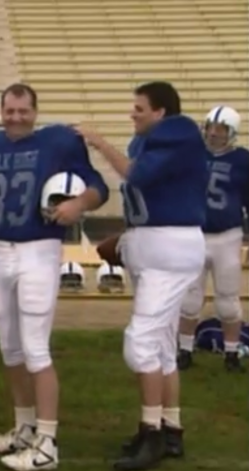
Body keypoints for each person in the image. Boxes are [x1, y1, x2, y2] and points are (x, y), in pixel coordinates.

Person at [0, 83, 109, 471]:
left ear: (35, 111)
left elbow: (98, 186)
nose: (16, 118)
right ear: (1, 111)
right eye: (9, 111)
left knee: (35, 348)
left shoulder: (58, 142)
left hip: (39, 249)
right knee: (10, 348)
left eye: (23, 110)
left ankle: (47, 443)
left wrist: (78, 203)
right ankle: (24, 428)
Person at [75, 81, 208, 470]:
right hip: (156, 243)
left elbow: (137, 176)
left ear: (161, 112)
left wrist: (98, 142)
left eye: (139, 108)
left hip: (170, 246)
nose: (132, 113)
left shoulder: (178, 134)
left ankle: (151, 432)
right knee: (162, 346)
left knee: (140, 343)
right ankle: (171, 428)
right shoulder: (158, 140)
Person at [177, 105, 249, 372]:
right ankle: (184, 350)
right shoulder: (191, 155)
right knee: (189, 299)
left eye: (221, 129)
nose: (214, 133)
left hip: (228, 235)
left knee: (228, 300)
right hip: (194, 233)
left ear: (233, 132)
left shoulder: (242, 160)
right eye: (210, 127)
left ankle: (231, 353)